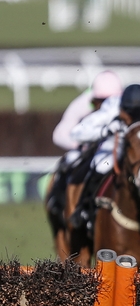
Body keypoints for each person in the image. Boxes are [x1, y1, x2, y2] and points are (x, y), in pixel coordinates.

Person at [68, 84, 140, 233]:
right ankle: (85, 208)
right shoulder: (112, 107)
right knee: (101, 165)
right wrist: (105, 131)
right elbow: (76, 133)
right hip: (115, 146)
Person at [47, 71, 123, 219]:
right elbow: (59, 134)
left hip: (110, 150)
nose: (109, 106)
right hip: (85, 149)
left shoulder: (124, 102)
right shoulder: (81, 105)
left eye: (114, 100)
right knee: (70, 160)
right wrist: (80, 145)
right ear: (94, 99)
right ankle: (58, 202)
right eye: (103, 101)